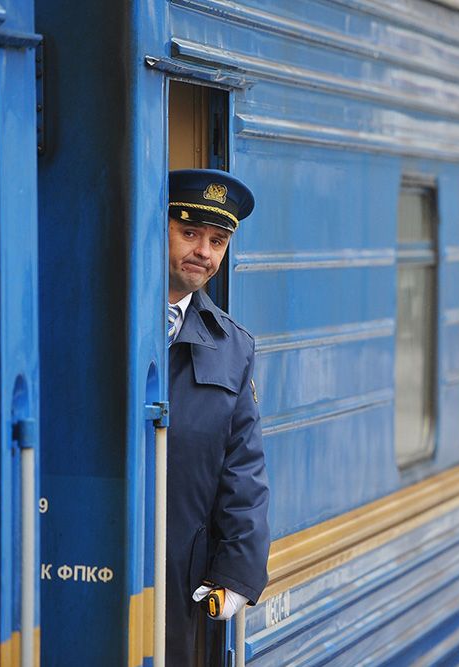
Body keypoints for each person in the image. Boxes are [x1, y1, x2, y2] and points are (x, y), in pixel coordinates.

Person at [164, 169, 270, 665]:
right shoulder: (97, 316)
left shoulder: (232, 347)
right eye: (189, 233)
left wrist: (235, 574)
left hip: (180, 582)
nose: (204, 252)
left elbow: (243, 469)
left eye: (217, 240)